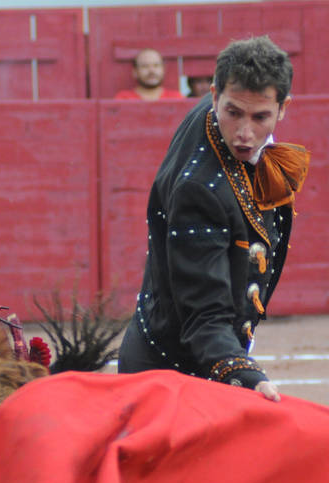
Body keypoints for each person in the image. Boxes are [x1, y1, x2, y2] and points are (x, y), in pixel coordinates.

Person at [117, 36, 309, 402]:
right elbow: (204, 313)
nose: (244, 133)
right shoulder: (199, 190)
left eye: (260, 117)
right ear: (215, 94)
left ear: (283, 108)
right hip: (172, 376)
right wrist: (242, 371)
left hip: (181, 359)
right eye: (233, 112)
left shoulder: (220, 110)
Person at [114, 48, 185, 101]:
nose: (151, 70)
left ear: (163, 69)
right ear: (135, 72)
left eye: (156, 65)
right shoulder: (124, 99)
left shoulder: (176, 98)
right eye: (145, 66)